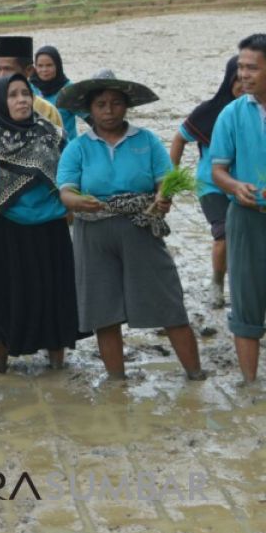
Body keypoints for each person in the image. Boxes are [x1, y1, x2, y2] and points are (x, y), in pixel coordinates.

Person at [56, 74, 206, 381]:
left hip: (141, 228)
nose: (108, 110)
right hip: (92, 233)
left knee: (168, 303)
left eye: (116, 103)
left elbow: (165, 180)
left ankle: (195, 373)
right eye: (101, 104)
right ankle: (117, 381)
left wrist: (164, 198)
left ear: (126, 106)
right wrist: (77, 203)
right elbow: (66, 191)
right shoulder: (78, 148)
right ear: (90, 110)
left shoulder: (146, 140)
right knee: (103, 312)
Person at [0, 74, 78, 372]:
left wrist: (76, 201)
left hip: (51, 231)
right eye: (13, 95)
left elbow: (76, 169)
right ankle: (0, 362)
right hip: (3, 231)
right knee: (2, 299)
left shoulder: (53, 135)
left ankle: (57, 361)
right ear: (1, 102)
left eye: (26, 93)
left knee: (54, 297)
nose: (22, 100)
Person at [210, 33, 266, 384]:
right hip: (245, 218)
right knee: (245, 299)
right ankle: (250, 386)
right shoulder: (231, 114)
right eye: (241, 66)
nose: (243, 74)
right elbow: (218, 170)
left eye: (252, 67)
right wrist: (234, 186)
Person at [171, 56, 242, 307]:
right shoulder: (209, 111)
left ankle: (245, 285)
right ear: (229, 80)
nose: (244, 84)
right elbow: (180, 138)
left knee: (248, 236)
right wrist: (171, 179)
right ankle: (217, 283)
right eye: (238, 79)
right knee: (224, 234)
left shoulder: (259, 111)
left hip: (247, 184)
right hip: (212, 184)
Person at [29, 46, 78, 141]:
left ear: (58, 66)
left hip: (65, 148)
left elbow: (90, 117)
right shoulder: (29, 88)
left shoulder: (69, 90)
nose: (44, 70)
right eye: (40, 66)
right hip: (37, 149)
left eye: (49, 65)